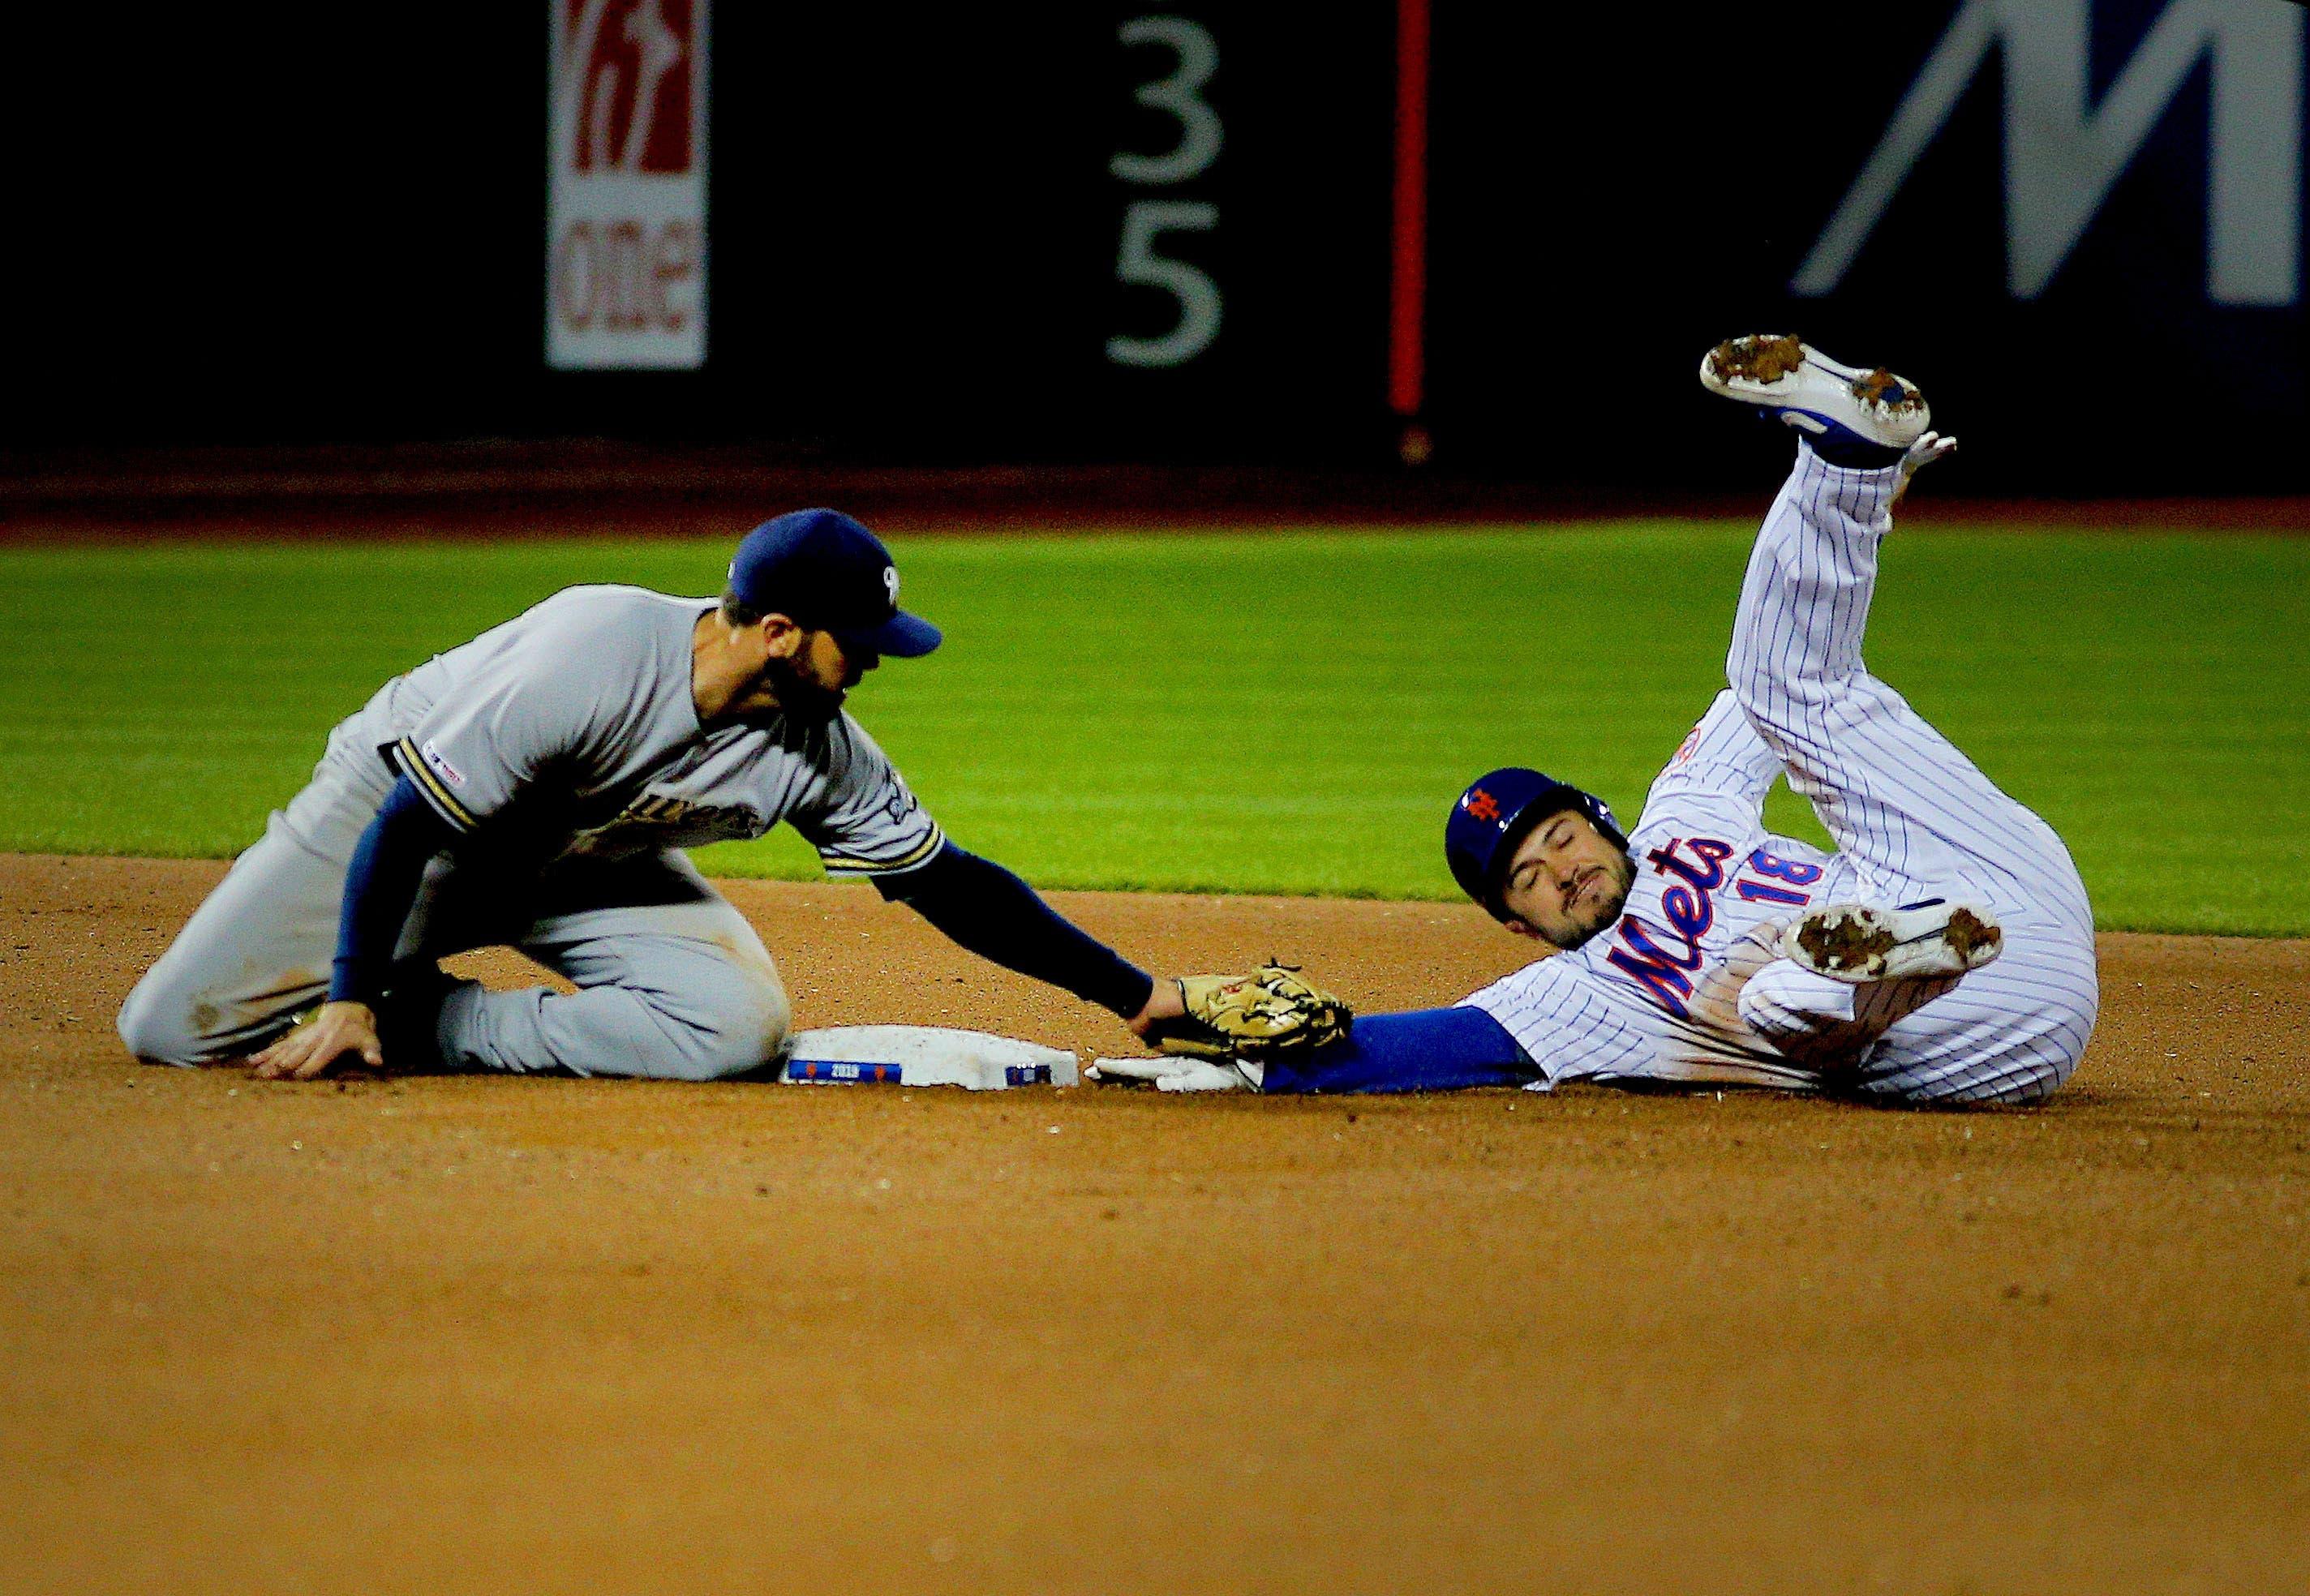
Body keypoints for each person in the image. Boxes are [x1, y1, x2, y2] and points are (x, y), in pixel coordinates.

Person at [1107, 336, 2098, 1106]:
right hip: (1969, 1039)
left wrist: (1865, 507)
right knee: (1778, 998)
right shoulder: (1586, 996)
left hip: (2013, 898)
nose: (1559, 869)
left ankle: (1845, 462)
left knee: (1789, 690)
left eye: (1557, 836)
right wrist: (1233, 1047)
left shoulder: (1686, 811)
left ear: (1600, 818)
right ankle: (1888, 954)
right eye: (1526, 880)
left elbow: (1784, 670)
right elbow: (1418, 1048)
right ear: (1516, 925)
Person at [118, 509, 1185, 1081]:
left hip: (584, 861)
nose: (872, 662)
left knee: (733, 1026)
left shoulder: (821, 745)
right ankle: (369, 993)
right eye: (853, 643)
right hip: (405, 823)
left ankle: (428, 1024)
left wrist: (1138, 997)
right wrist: (343, 988)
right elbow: (409, 820)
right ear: (776, 632)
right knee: (170, 1027)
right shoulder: (594, 646)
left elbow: (947, 885)